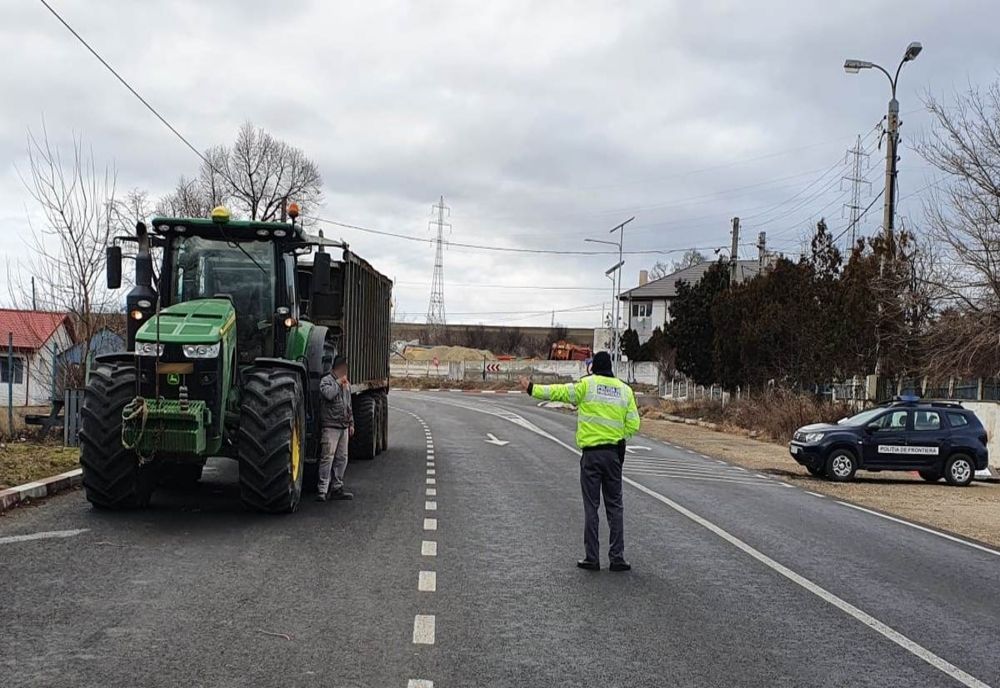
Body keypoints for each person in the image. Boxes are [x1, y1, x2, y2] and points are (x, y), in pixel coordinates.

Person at [519, 351, 640, 571]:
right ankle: (617, 557)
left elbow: (560, 392)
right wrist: (619, 437)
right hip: (613, 455)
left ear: (593, 367)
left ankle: (592, 558)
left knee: (591, 507)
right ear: (611, 368)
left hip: (591, 455)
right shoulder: (625, 391)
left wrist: (532, 388)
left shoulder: (587, 385)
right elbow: (634, 424)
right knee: (615, 507)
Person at [317, 354, 355, 501]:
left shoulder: (346, 384)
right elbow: (329, 395)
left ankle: (337, 486)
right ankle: (322, 489)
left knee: (342, 458)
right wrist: (338, 383)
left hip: (343, 426)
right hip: (330, 426)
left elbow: (348, 404)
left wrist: (351, 423)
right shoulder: (326, 381)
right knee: (327, 457)